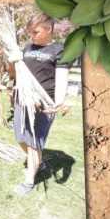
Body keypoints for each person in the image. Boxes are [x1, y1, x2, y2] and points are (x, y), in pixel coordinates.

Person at [8, 14, 72, 196]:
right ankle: (39, 163)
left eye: (35, 32)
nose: (31, 36)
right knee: (20, 137)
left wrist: (58, 103)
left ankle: (29, 182)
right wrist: (11, 62)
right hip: (23, 99)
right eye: (30, 32)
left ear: (49, 29)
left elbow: (61, 78)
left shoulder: (59, 50)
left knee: (34, 143)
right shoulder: (27, 48)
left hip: (43, 103)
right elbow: (14, 75)